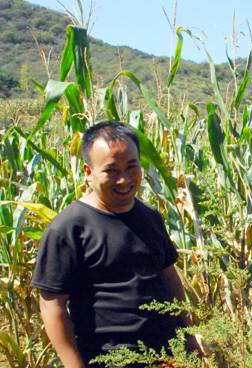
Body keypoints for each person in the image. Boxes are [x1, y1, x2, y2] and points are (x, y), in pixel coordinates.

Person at [31, 121, 191, 367]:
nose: (124, 179)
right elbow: (52, 305)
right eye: (111, 171)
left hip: (167, 356)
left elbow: (169, 276)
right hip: (110, 359)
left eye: (131, 166)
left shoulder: (149, 216)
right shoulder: (69, 229)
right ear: (88, 171)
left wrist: (187, 335)